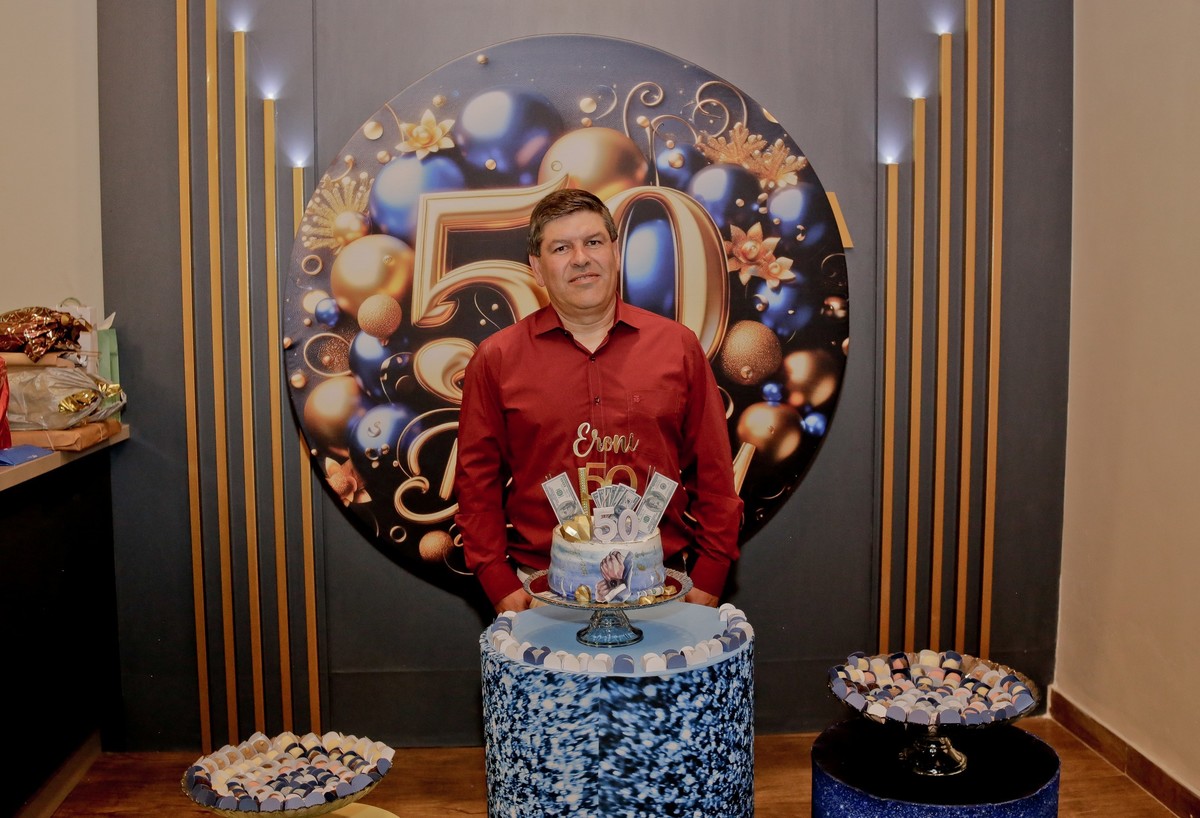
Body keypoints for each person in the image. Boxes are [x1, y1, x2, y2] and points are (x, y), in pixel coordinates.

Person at [454, 188, 743, 613]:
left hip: (665, 589)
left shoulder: (677, 347)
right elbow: (476, 485)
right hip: (541, 595)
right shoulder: (497, 358)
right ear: (537, 267)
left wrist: (710, 577)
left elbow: (715, 473)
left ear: (615, 252)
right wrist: (499, 584)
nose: (581, 258)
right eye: (560, 248)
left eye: (593, 242)